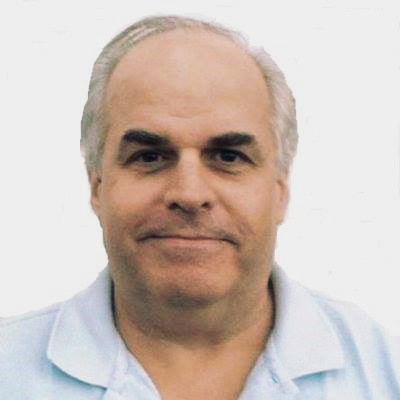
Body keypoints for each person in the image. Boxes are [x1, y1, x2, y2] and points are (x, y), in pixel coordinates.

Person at [1, 14, 399, 399]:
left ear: (280, 189)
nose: (189, 194)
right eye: (149, 156)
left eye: (228, 157)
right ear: (97, 186)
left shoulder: (385, 372)